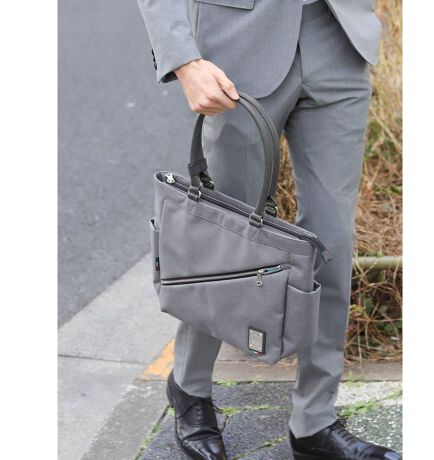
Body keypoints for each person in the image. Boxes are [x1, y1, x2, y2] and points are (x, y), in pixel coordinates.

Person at [137, 1, 401, 459]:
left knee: (332, 243)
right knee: (225, 239)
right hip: (238, 47)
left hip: (338, 37)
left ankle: (314, 420)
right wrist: (183, 59)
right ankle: (191, 387)